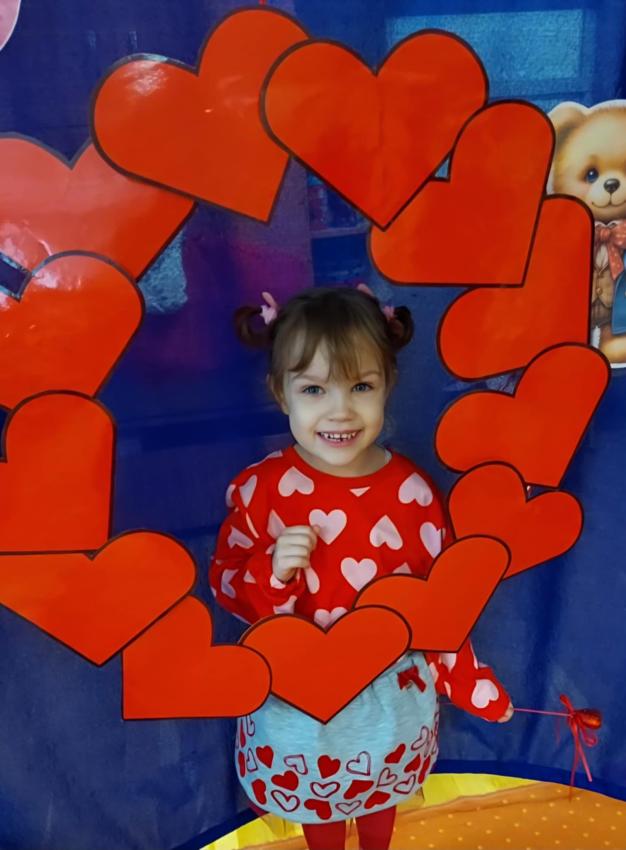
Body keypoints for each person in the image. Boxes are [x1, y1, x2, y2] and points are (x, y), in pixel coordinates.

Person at [210, 285, 513, 850]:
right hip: (302, 698)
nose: (340, 410)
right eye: (314, 389)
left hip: (390, 698)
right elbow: (226, 584)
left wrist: (466, 679)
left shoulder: (415, 492)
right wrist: (272, 572)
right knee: (318, 800)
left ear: (387, 385)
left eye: (361, 386)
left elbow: (444, 604)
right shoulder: (261, 490)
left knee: (381, 795)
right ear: (281, 393)